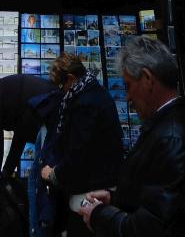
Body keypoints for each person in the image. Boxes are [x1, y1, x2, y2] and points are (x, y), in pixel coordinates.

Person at [79, 36, 185, 237]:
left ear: (147, 79)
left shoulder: (172, 137)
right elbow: (157, 196)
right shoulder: (175, 125)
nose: (127, 97)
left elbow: (154, 227)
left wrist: (98, 215)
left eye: (128, 86)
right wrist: (115, 200)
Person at [40, 53, 124, 237]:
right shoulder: (95, 92)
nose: (61, 91)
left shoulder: (83, 104)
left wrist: (53, 174)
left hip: (90, 192)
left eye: (62, 86)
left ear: (71, 78)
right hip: (104, 184)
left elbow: (78, 153)